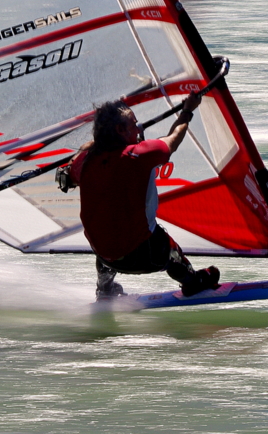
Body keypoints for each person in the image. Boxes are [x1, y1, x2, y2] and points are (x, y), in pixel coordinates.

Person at [68, 92, 220, 300]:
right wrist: (187, 112)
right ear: (120, 130)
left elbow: (70, 175)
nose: (139, 128)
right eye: (134, 124)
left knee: (108, 235)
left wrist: (90, 147)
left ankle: (104, 288)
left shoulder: (84, 160)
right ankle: (192, 282)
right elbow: (173, 140)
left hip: (105, 257)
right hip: (144, 257)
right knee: (168, 247)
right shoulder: (138, 155)